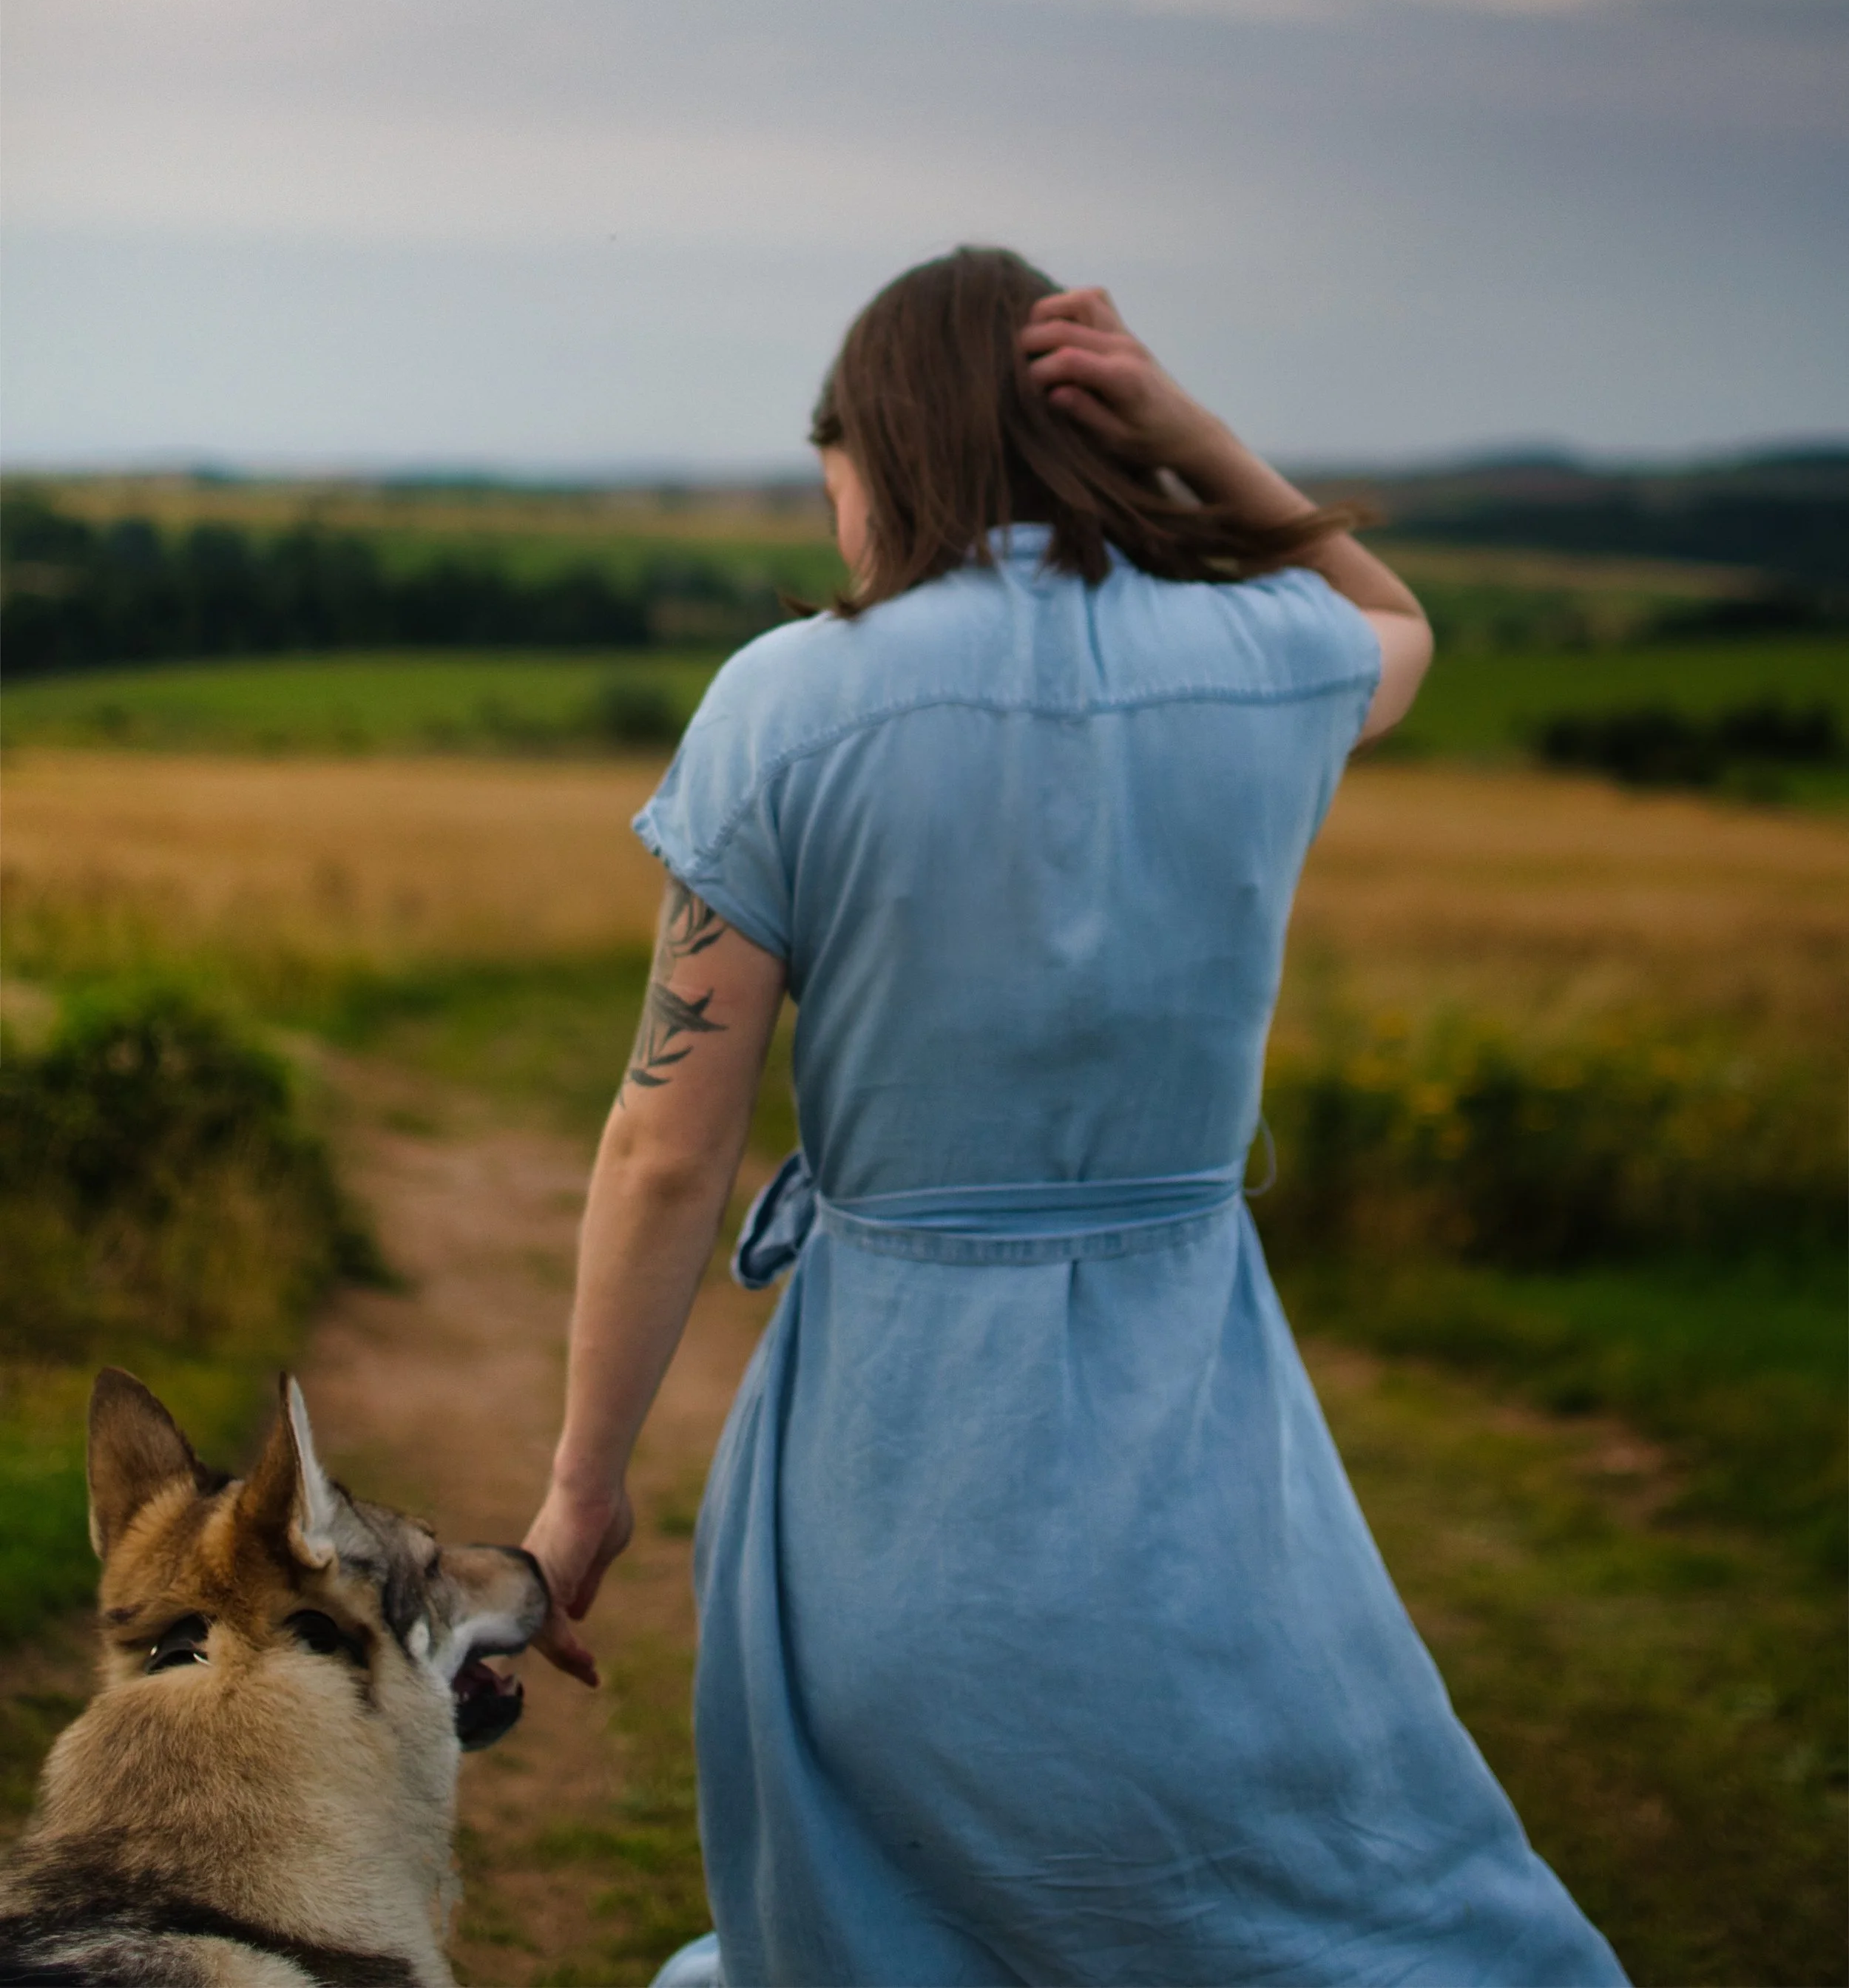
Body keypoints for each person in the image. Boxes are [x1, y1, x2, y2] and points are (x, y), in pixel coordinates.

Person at [521, 249, 1628, 1988]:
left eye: (833, 477)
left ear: (879, 450)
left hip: (889, 1452)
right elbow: (1401, 624)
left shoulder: (785, 698)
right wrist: (1196, 437)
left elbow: (666, 1145)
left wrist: (581, 1489)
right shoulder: (1265, 656)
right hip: (1203, 1431)